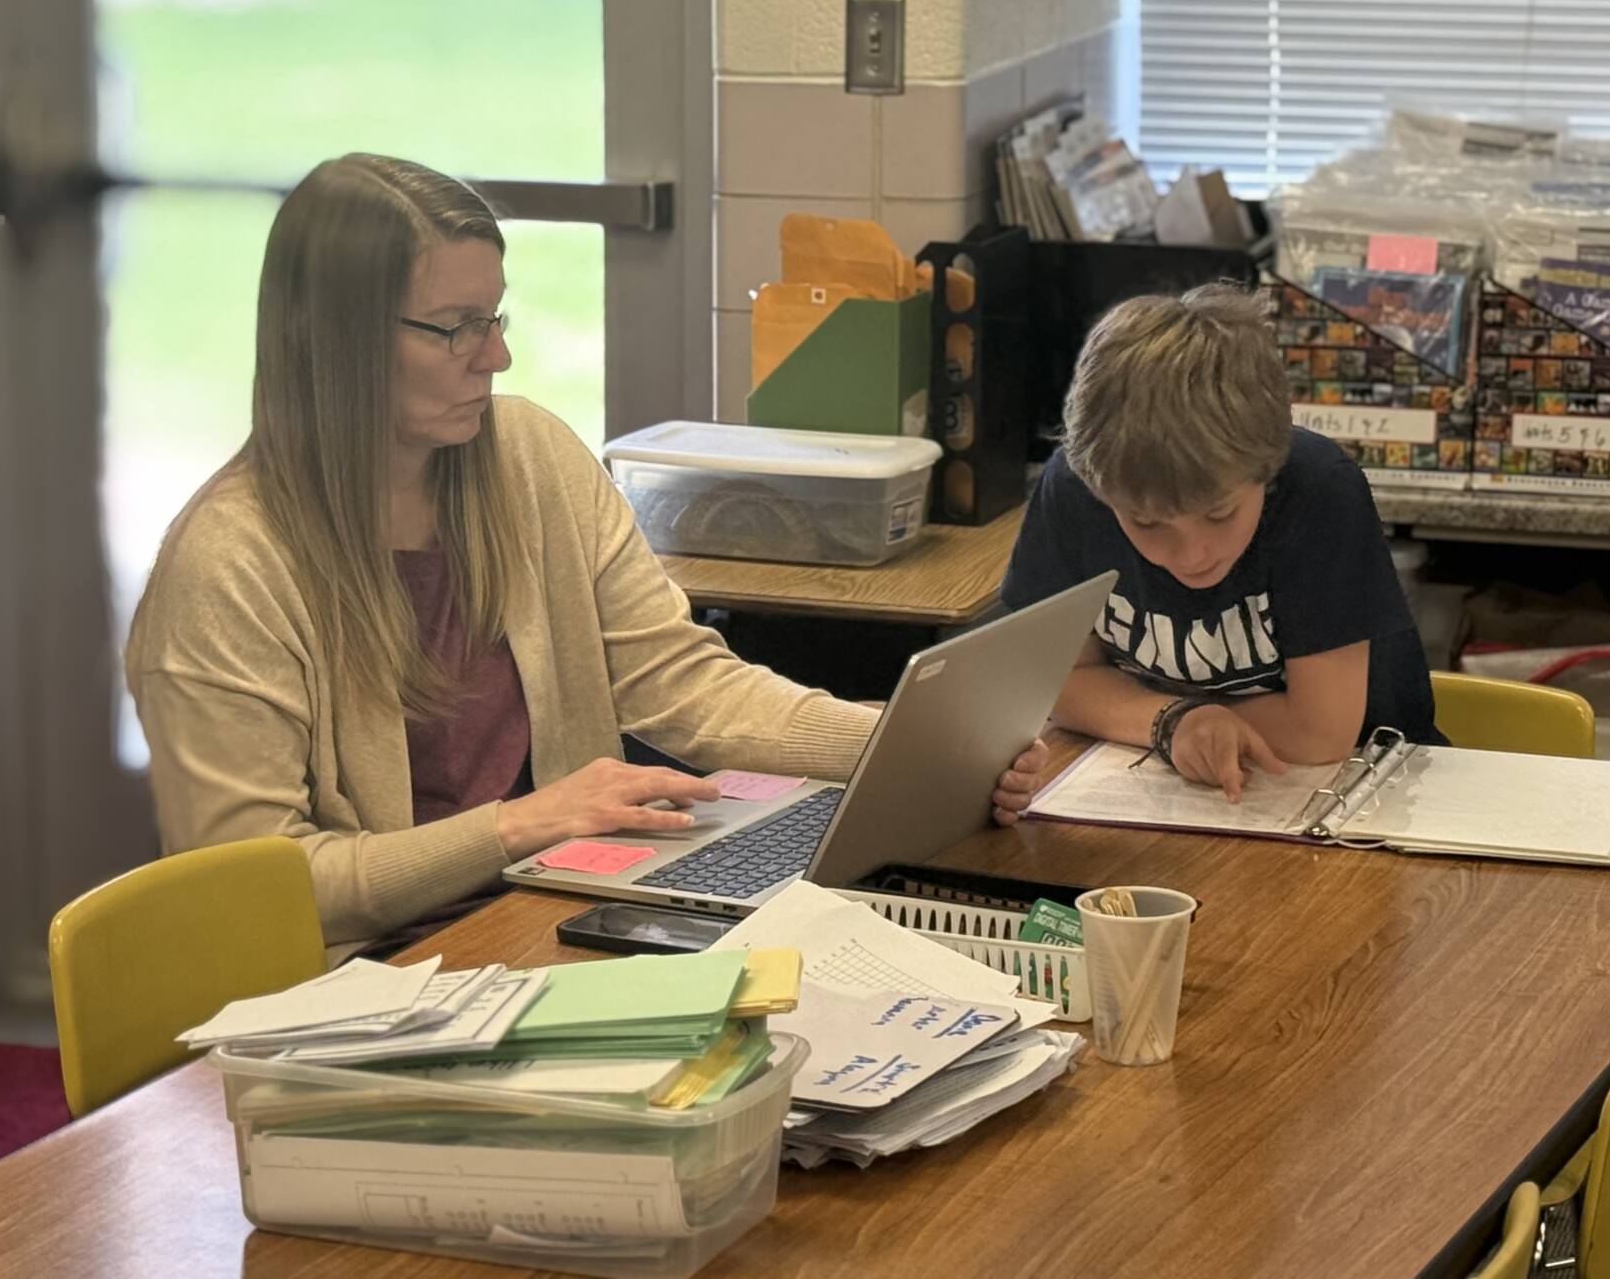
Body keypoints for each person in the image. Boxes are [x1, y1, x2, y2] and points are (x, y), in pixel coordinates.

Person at [126, 154, 1044, 958]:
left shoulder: (526, 456)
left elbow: (682, 685)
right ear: (335, 342)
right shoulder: (228, 567)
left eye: (495, 316)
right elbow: (255, 886)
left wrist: (906, 745)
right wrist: (520, 826)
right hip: (379, 979)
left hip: (561, 911)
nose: (498, 356)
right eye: (456, 327)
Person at [996, 283, 1442, 804]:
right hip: (1165, 793)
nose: (1191, 555)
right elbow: (1059, 684)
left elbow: (1320, 733)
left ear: (1267, 470)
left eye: (1220, 514)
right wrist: (1176, 723)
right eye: (1146, 523)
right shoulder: (1080, 484)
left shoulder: (1319, 489)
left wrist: (1165, 720)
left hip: (1365, 794)